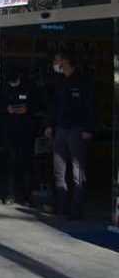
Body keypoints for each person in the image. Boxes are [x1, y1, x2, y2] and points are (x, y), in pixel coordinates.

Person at [45, 50, 95, 220]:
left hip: (77, 129)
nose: (55, 64)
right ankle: (62, 206)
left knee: (77, 171)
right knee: (59, 169)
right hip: (61, 128)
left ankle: (76, 210)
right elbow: (54, 106)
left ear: (65, 61)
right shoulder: (59, 81)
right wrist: (50, 125)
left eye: (57, 60)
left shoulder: (83, 81)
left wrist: (89, 128)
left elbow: (90, 106)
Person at [0, 69, 36, 205]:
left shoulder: (28, 88)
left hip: (25, 133)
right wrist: (8, 109)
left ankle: (27, 196)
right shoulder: (4, 89)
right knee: (10, 164)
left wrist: (22, 110)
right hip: (9, 133)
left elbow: (32, 107)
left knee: (26, 165)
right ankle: (9, 194)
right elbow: (0, 107)